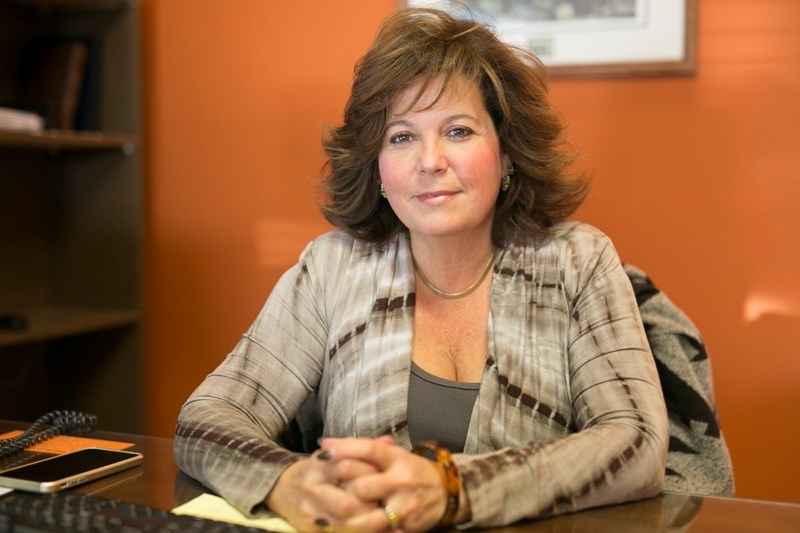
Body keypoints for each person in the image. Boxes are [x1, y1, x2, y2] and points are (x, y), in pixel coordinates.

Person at [174, 6, 669, 531]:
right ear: (379, 170)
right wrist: (283, 480)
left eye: (458, 131)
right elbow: (206, 419)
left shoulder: (578, 261)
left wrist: (452, 488)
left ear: (506, 156)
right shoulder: (332, 268)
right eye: (402, 137)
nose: (429, 161)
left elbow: (636, 440)